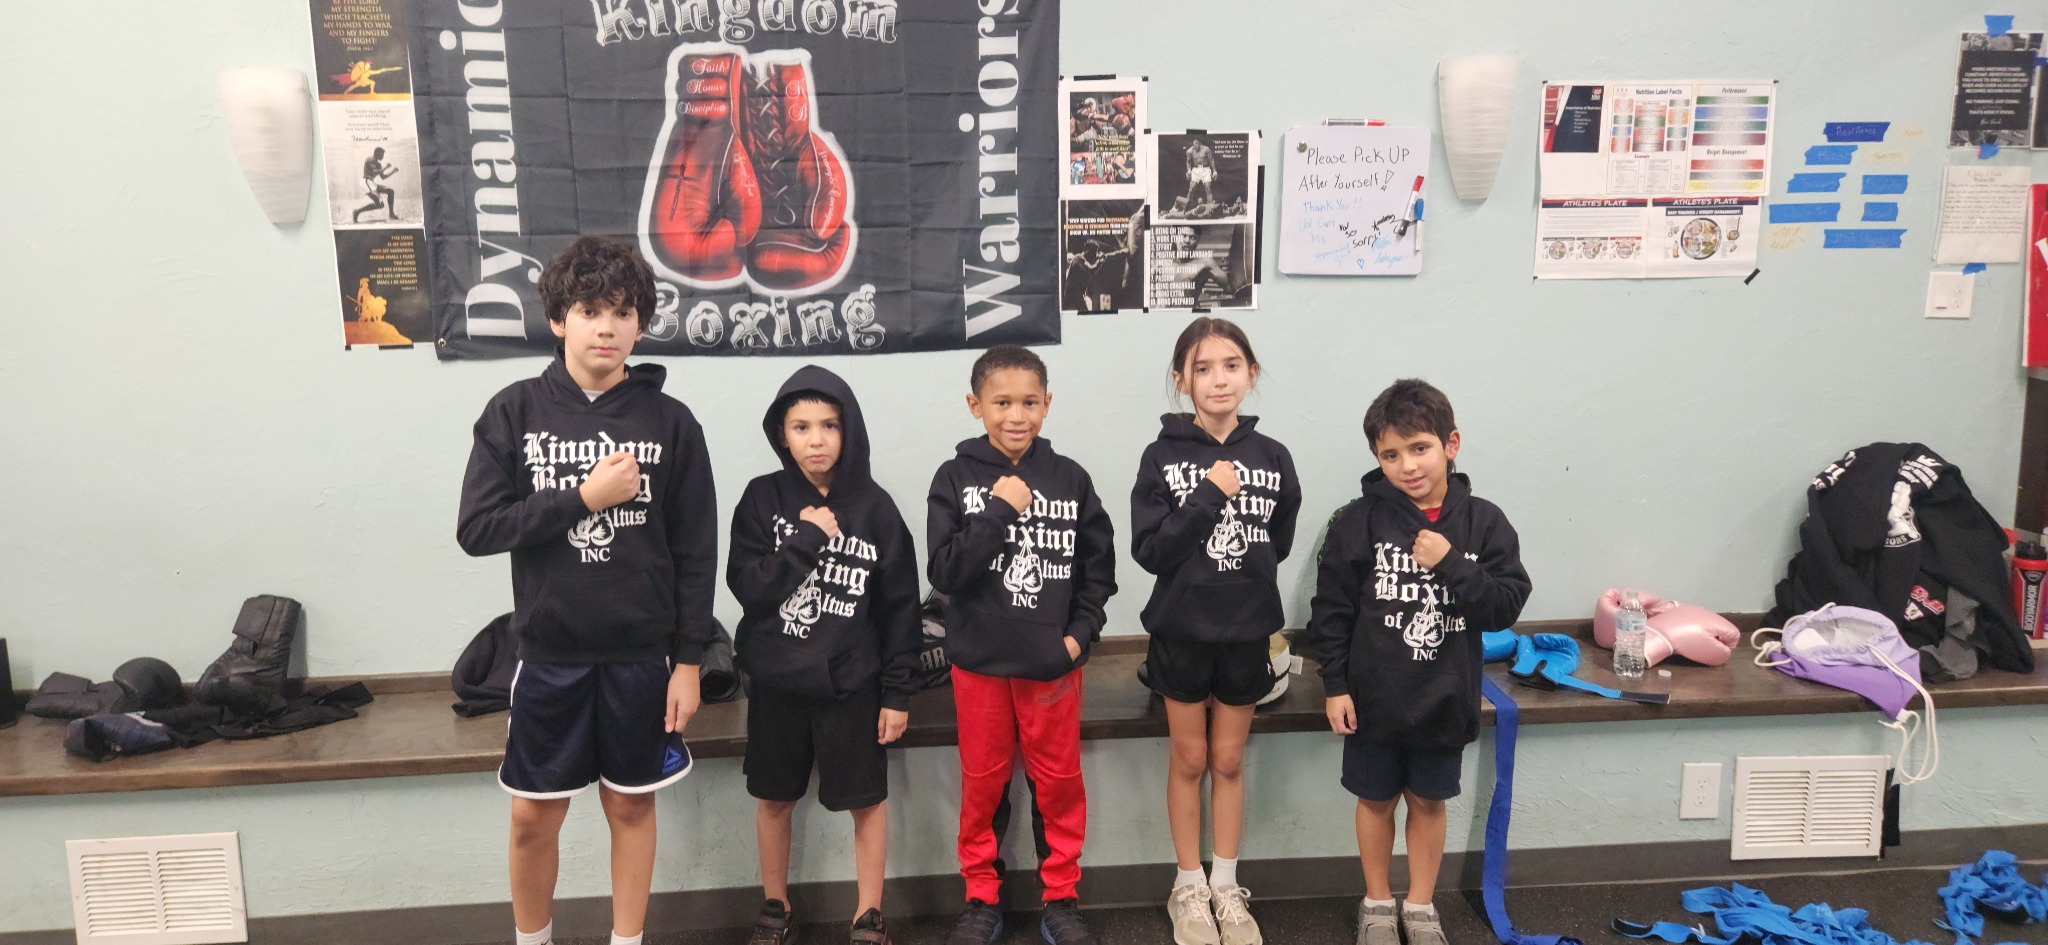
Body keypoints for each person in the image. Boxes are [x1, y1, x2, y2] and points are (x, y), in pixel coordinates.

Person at [456, 235, 719, 945]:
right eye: (591, 310)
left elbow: (696, 551)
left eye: (623, 312)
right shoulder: (514, 411)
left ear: (640, 324)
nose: (607, 326)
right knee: (532, 814)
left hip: (642, 659)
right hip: (547, 656)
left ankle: (626, 941)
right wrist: (582, 497)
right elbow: (477, 528)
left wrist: (689, 660)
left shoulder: (671, 422)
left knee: (631, 807)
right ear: (559, 320)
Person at [1307, 379, 1531, 945]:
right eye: (1390, 454)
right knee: (1375, 798)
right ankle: (1378, 903)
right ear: (1377, 459)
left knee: (1429, 801)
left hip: (1443, 697)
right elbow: (1330, 612)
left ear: (1451, 444)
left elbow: (1504, 606)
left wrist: (1452, 562)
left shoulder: (1484, 522)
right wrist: (1335, 686)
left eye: (1420, 448)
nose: (1407, 465)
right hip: (1373, 696)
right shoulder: (1358, 521)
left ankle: (1422, 904)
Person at [926, 344, 1116, 945]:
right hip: (979, 665)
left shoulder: (1071, 479)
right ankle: (981, 897)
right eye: (1002, 402)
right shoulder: (954, 478)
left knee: (1058, 782)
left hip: (1050, 666)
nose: (1016, 415)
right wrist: (999, 512)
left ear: (1047, 404)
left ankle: (1060, 896)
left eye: (1029, 402)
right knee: (982, 782)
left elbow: (1098, 571)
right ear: (975, 405)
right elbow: (945, 573)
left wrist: (1076, 639)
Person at [728, 365, 922, 945]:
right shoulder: (763, 499)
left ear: (850, 430)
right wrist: (806, 540)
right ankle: (774, 905)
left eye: (830, 425)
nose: (816, 439)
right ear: (781, 434)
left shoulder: (876, 508)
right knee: (774, 799)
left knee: (867, 802)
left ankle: (868, 913)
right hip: (777, 685)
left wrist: (897, 693)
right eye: (801, 426)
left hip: (853, 687)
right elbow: (750, 589)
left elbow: (900, 610)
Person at [1131, 318, 1300, 945]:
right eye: (1202, 368)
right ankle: (1187, 886)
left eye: (1231, 364)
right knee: (1190, 757)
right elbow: (1151, 550)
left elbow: (1275, 542)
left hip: (1246, 632)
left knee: (1228, 759)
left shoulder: (1273, 457)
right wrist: (1205, 495)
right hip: (1180, 632)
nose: (1218, 378)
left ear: (1251, 374)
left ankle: (1226, 885)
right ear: (1182, 380)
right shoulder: (1161, 456)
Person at [353, 147, 399, 223]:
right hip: (366, 182)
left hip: (371, 183)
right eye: (382, 155)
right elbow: (374, 172)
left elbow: (383, 177)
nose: (383, 157)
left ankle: (391, 215)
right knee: (380, 204)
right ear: (376, 153)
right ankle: (357, 212)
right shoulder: (370, 159)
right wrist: (386, 167)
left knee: (390, 191)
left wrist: (393, 171)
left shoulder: (379, 164)